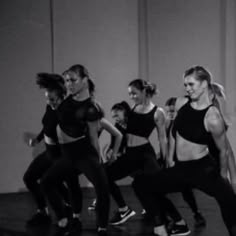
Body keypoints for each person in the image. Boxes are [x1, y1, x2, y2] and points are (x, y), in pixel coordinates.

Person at [133, 66, 236, 236]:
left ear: (204, 84)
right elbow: (175, 131)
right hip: (181, 168)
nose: (187, 88)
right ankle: (160, 227)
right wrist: (171, 158)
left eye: (191, 84)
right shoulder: (181, 102)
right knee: (141, 184)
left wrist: (225, 179)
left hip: (203, 169)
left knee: (230, 204)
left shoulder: (213, 117)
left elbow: (224, 151)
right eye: (185, 85)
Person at [40, 64, 110, 236]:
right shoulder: (66, 101)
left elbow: (93, 136)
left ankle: (102, 227)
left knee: (102, 188)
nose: (69, 83)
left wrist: (98, 159)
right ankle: (69, 217)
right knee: (47, 182)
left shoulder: (91, 107)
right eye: (67, 80)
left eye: (73, 80)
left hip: (83, 153)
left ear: (85, 80)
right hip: (66, 153)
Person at [106, 79, 185, 226]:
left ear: (144, 91)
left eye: (134, 93)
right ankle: (124, 209)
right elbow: (123, 129)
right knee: (105, 175)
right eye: (130, 94)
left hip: (144, 155)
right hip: (130, 154)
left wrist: (167, 159)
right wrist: (113, 149)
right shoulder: (133, 107)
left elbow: (162, 138)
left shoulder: (158, 112)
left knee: (155, 189)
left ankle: (179, 221)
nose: (132, 97)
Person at [23, 73, 80, 226]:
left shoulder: (66, 111)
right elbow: (47, 125)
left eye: (53, 99)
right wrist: (38, 139)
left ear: (62, 97)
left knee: (49, 183)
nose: (49, 102)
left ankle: (63, 216)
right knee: (29, 178)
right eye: (47, 99)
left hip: (61, 154)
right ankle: (43, 210)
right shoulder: (50, 106)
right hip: (49, 152)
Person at [165, 97, 206, 227]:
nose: (170, 114)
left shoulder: (186, 122)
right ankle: (167, 217)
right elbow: (168, 141)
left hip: (186, 161)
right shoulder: (168, 123)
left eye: (172, 111)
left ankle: (196, 213)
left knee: (186, 189)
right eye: (168, 111)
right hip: (173, 159)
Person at [88, 101, 130, 211]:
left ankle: (123, 208)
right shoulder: (117, 125)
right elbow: (114, 142)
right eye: (113, 116)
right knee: (103, 175)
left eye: (117, 115)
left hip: (130, 158)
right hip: (121, 157)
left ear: (124, 113)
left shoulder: (132, 126)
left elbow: (128, 143)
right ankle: (102, 199)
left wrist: (117, 153)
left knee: (104, 175)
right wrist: (111, 151)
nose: (115, 118)